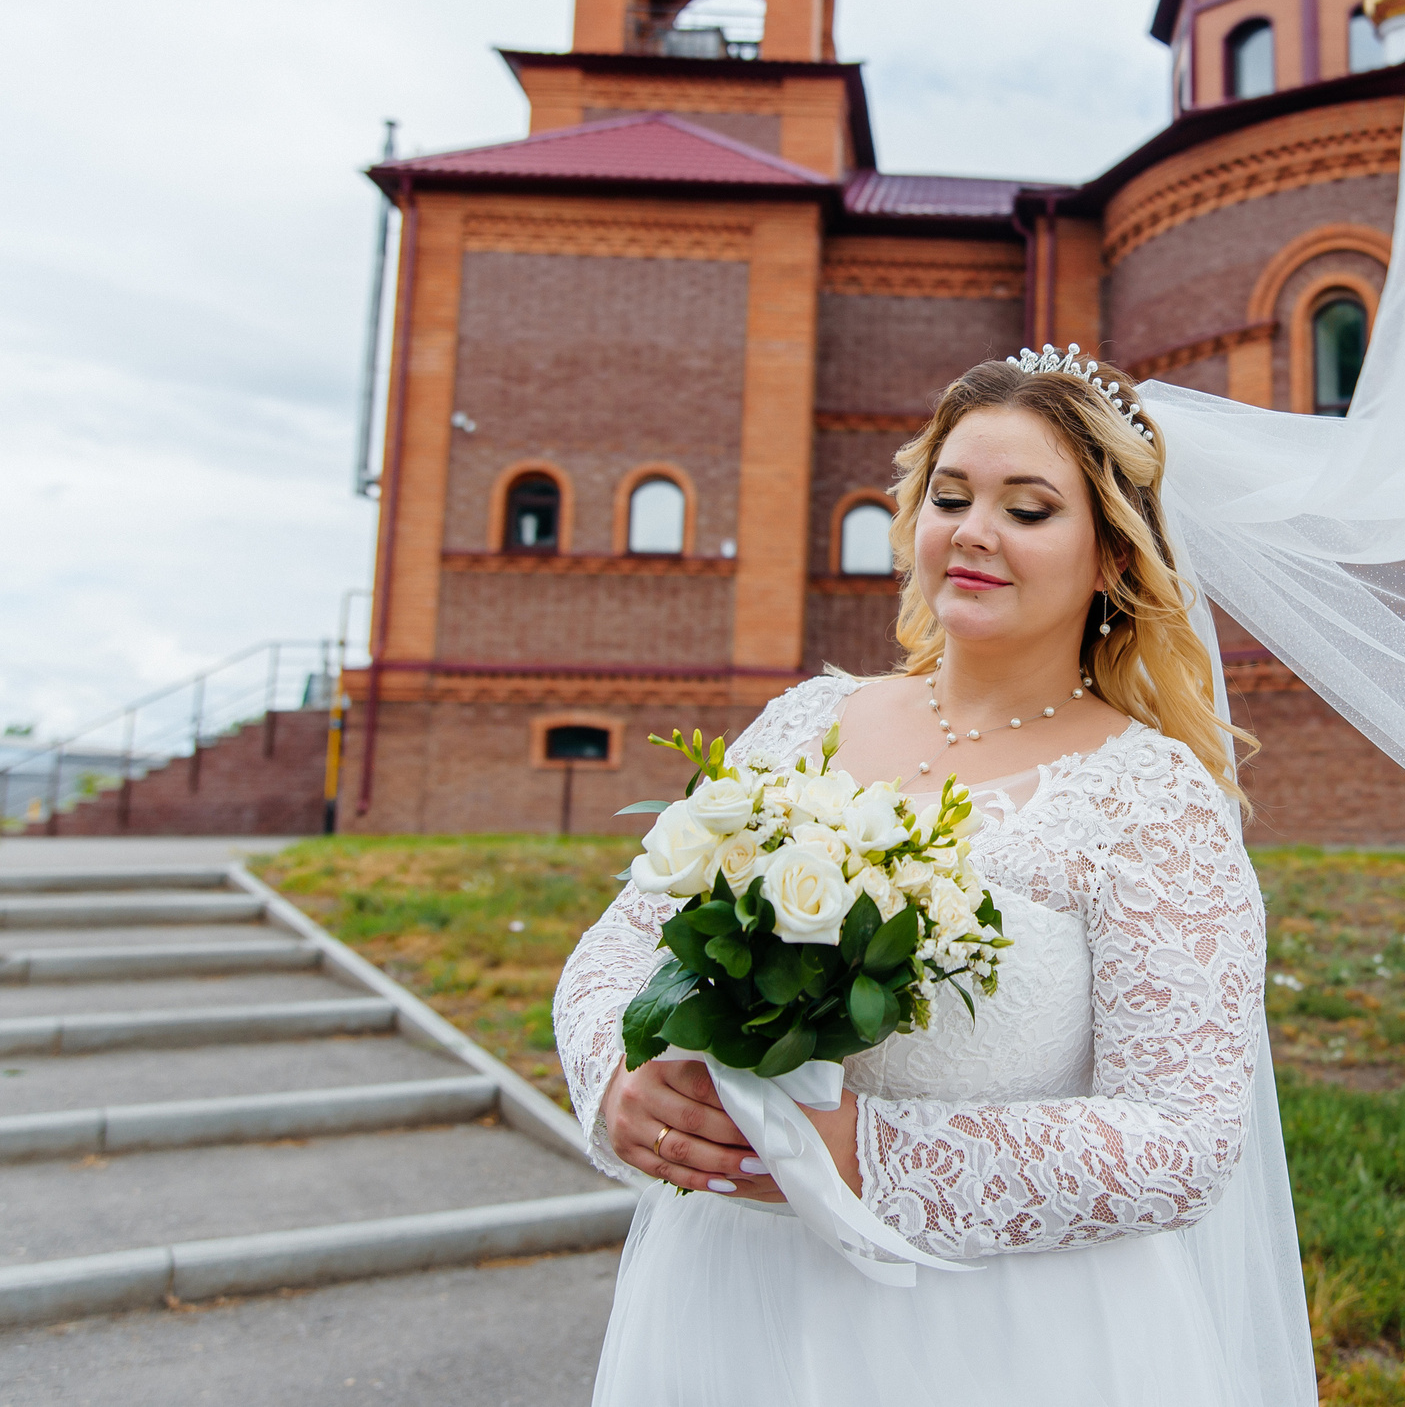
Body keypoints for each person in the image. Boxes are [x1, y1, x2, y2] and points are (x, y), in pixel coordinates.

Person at [554, 349, 1317, 1407]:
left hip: (1004, 1333)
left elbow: (1184, 1137)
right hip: (738, 1300)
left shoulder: (1152, 797)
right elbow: (622, 941)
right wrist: (615, 1079)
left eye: (1029, 507)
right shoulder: (804, 722)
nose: (973, 529)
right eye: (950, 495)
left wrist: (862, 1152)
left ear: (1110, 557)